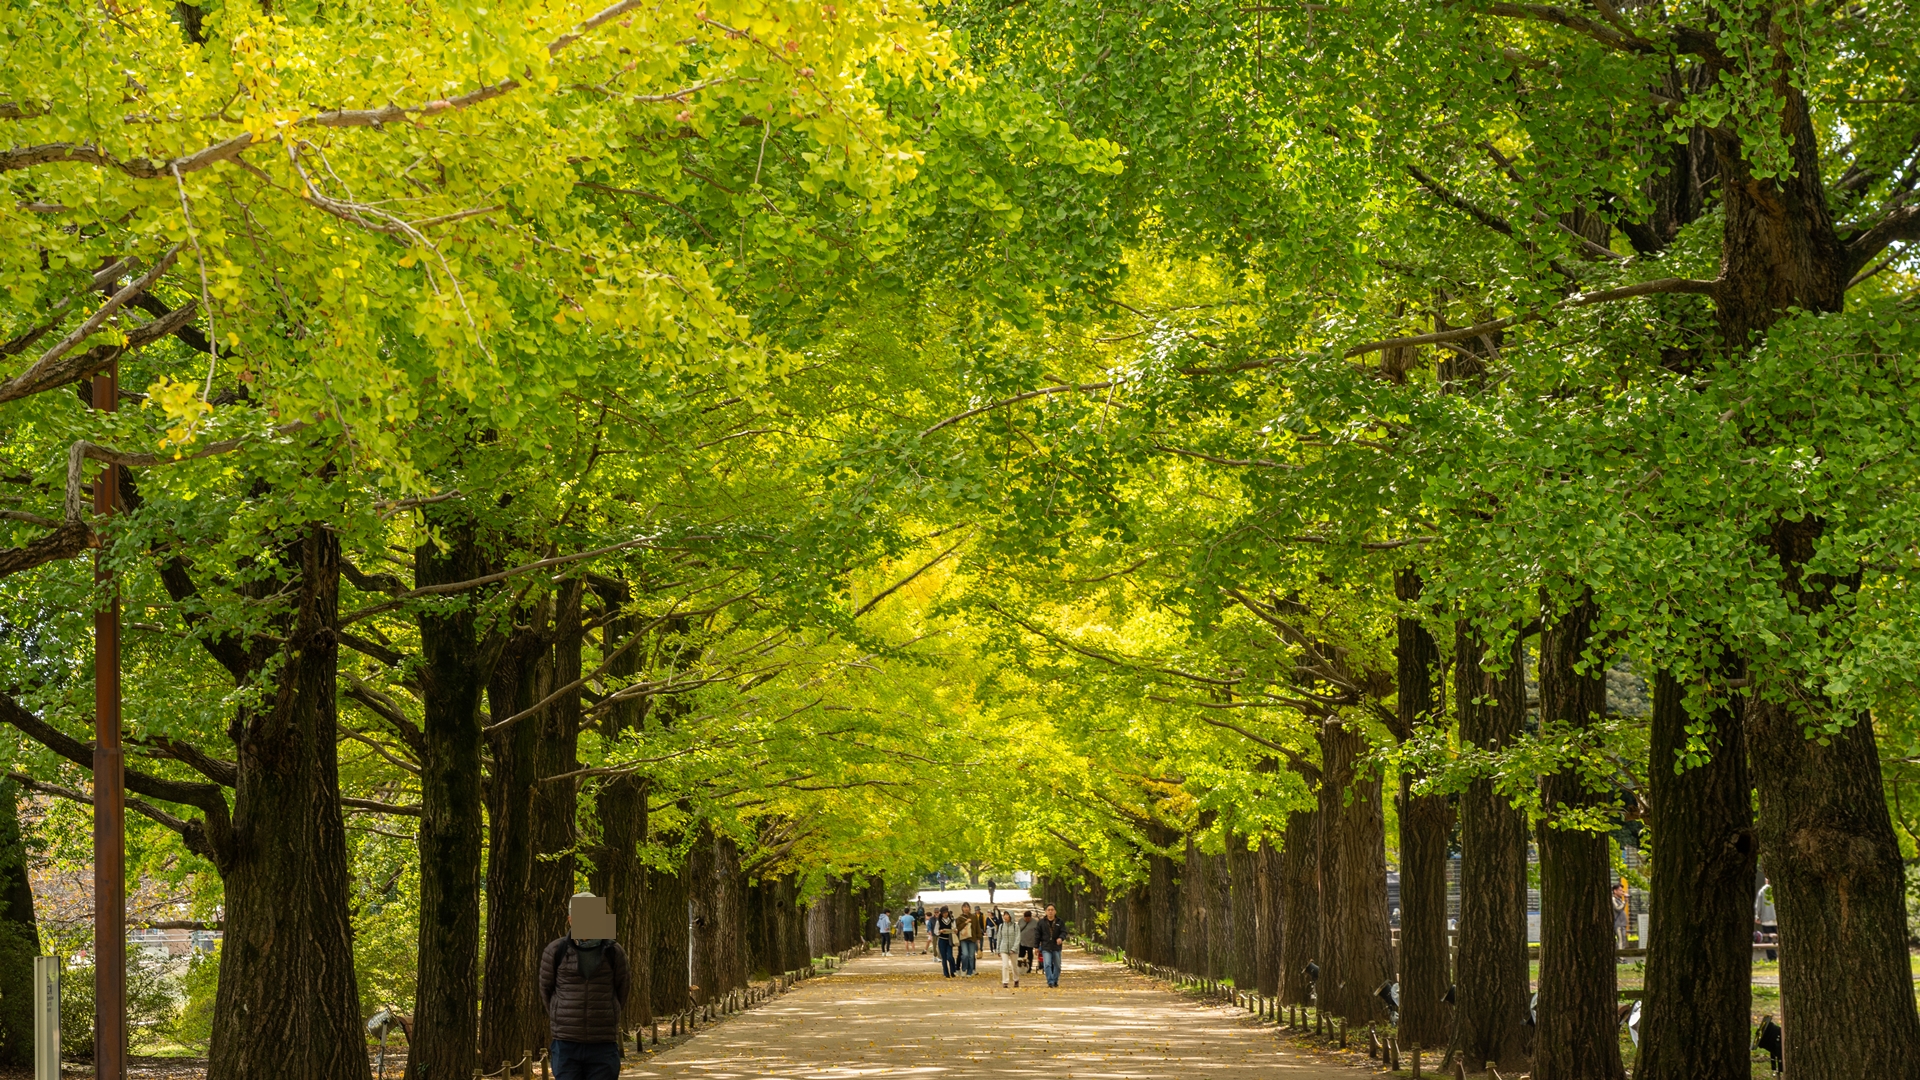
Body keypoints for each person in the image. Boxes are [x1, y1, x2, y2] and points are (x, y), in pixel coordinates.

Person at [540, 892, 632, 1080]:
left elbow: (622, 989)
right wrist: (564, 1016)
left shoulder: (614, 951)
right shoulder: (556, 950)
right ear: (570, 920)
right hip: (566, 1043)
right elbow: (546, 990)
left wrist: (604, 1013)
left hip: (603, 1043)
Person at [1035, 903, 1066, 987]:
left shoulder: (1060, 922)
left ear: (1055, 911)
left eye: (1052, 910)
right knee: (1047, 964)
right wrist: (1036, 947)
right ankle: (1050, 981)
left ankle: (1055, 980)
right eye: (1048, 910)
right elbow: (1037, 935)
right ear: (1045, 912)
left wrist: (1061, 938)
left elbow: (1064, 932)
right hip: (1046, 946)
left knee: (1057, 966)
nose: (1050, 912)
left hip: (1056, 947)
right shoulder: (1041, 922)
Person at [994, 908, 1021, 988]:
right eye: (1004, 915)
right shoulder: (1001, 926)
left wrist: (1014, 948)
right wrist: (998, 949)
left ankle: (1016, 979)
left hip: (1013, 949)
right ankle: (1005, 981)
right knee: (1005, 965)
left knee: (1014, 966)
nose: (1005, 917)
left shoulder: (1016, 926)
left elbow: (1018, 938)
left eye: (1007, 915)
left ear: (1011, 916)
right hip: (1004, 947)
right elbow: (999, 938)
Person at [1755, 878, 1778, 961]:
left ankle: (1772, 958)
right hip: (1777, 919)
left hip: (1766, 920)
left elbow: (1759, 905)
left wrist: (1757, 916)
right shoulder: (1778, 889)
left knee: (1768, 939)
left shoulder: (1763, 891)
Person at [956, 902, 980, 976]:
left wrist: (978, 937)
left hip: (972, 938)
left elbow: (977, 927)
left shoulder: (973, 917)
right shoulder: (960, 918)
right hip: (963, 939)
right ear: (962, 908)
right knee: (965, 955)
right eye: (964, 907)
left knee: (971, 955)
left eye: (967, 907)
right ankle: (963, 969)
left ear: (969, 908)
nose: (966, 908)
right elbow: (958, 928)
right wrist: (965, 922)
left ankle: (970, 971)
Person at [934, 906, 956, 976]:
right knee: (944, 958)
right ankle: (946, 973)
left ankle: (953, 971)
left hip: (949, 940)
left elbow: (954, 928)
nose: (945, 914)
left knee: (950, 956)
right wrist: (940, 931)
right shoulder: (939, 921)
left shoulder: (952, 920)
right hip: (942, 940)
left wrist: (955, 930)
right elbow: (936, 931)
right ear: (941, 914)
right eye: (943, 913)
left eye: (946, 912)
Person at [1612, 879, 1630, 952]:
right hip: (1618, 924)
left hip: (1622, 924)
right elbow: (1618, 908)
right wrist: (1624, 901)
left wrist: (1624, 901)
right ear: (1615, 891)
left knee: (1623, 940)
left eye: (1622, 890)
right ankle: (1621, 957)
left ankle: (1621, 957)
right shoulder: (1613, 899)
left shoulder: (1619, 899)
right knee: (1620, 941)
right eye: (1620, 890)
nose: (1622, 892)